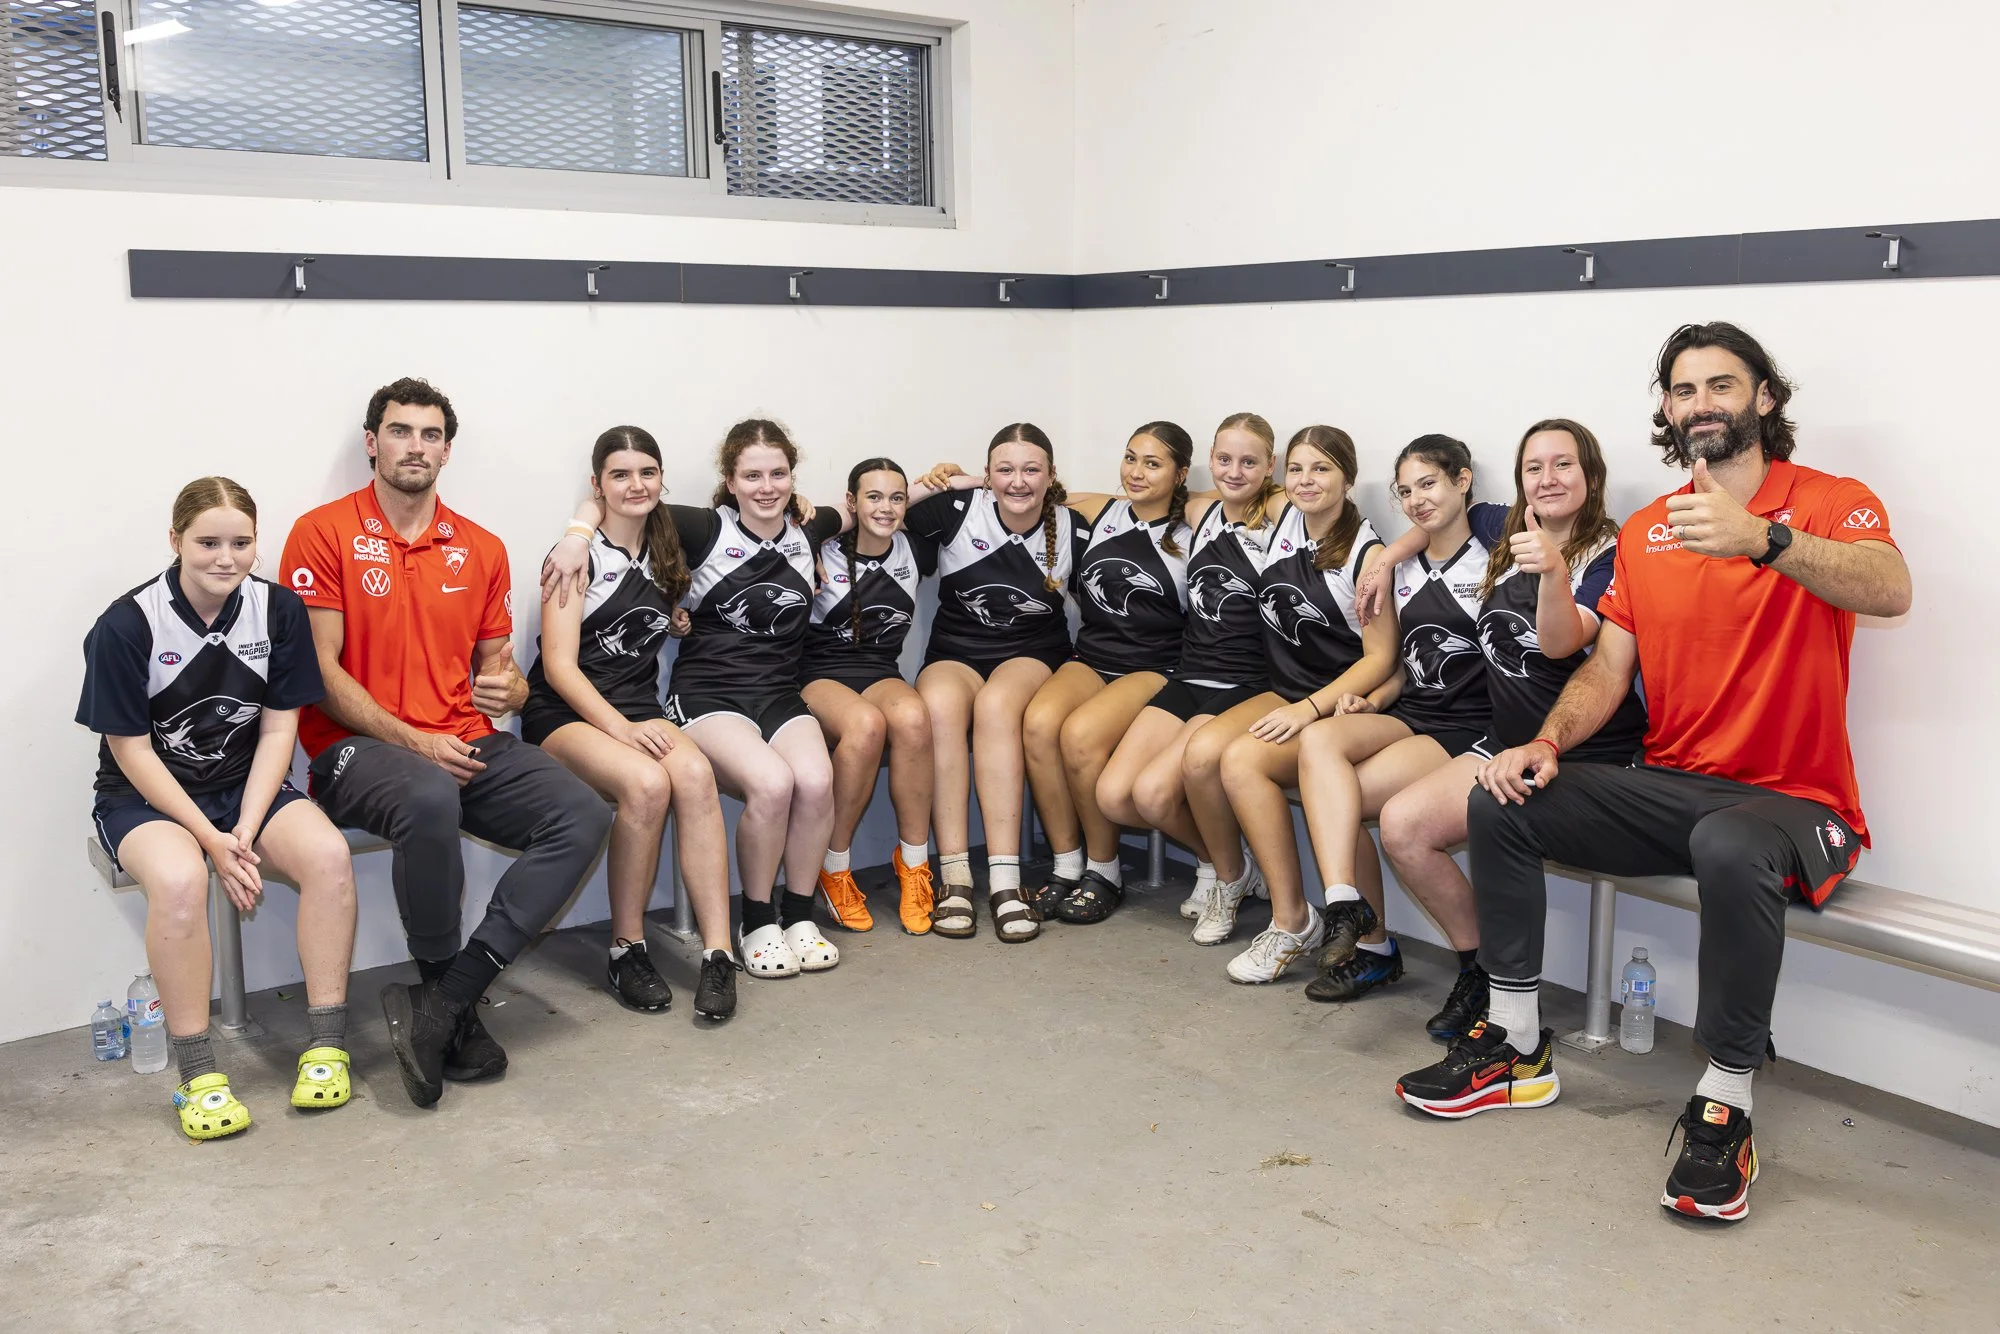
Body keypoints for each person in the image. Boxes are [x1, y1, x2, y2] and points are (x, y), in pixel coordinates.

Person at [1393, 322, 1911, 1226]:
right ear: (1668, 412)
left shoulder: (1830, 500)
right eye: (1683, 390)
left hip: (1797, 803)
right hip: (1674, 783)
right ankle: (1515, 1045)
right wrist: (1547, 742)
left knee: (1729, 841)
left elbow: (1889, 587)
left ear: (1765, 399)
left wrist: (1765, 539)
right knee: (1504, 799)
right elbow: (1605, 670)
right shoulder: (1649, 529)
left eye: (1721, 385)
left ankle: (1727, 1098)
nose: (1701, 403)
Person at [282, 378, 613, 1111]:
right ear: (373, 443)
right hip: (352, 749)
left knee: (583, 813)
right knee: (430, 793)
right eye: (400, 431)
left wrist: (514, 692)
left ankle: (449, 1001)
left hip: (463, 738)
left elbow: (505, 673)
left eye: (430, 435)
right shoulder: (323, 531)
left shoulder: (480, 546)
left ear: (447, 451)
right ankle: (438, 982)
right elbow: (320, 674)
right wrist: (417, 741)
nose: (415, 447)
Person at [79, 477, 358, 1141]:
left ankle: (327, 1046)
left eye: (241, 542)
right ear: (175, 541)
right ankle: (199, 1078)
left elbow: (277, 731)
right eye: (207, 542)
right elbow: (130, 750)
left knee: (329, 857)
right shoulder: (127, 625)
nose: (224, 558)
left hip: (246, 787)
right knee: (179, 883)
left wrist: (245, 828)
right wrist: (211, 839)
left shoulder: (279, 611)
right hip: (145, 797)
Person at [1364, 420, 1646, 1041]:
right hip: (1505, 738)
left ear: (1591, 476)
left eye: (1563, 465)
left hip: (1582, 751)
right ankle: (1480, 969)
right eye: (1533, 467)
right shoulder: (1503, 523)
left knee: (1498, 830)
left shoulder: (1614, 553)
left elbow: (1560, 642)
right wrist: (1386, 557)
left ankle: (1511, 999)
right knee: (1404, 827)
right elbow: (1435, 516)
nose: (1547, 479)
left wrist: (1552, 573)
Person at [546, 419, 845, 979]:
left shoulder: (807, 528)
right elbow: (617, 506)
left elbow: (861, 508)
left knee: (817, 780)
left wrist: (947, 482)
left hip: (776, 693)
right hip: (708, 695)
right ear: (729, 481)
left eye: (778, 474)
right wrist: (575, 532)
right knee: (773, 784)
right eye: (751, 475)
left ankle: (797, 916)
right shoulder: (697, 527)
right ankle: (753, 921)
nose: (766, 486)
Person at [525, 426, 738, 1022]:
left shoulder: (666, 546)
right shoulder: (573, 557)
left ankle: (719, 954)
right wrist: (621, 731)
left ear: (662, 479)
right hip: (566, 714)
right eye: (619, 474)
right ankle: (626, 948)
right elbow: (561, 670)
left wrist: (673, 622)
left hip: (637, 707)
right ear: (598, 485)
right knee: (648, 784)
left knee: (695, 775)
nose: (635, 484)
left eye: (647, 472)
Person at [1287, 435, 1500, 1003]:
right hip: (1410, 711)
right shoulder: (1399, 567)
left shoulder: (1493, 556)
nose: (1415, 500)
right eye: (1405, 491)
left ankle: (1475, 970)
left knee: (1342, 803)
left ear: (1463, 479)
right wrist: (1375, 700)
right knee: (1322, 742)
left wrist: (1386, 554)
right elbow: (1412, 660)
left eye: (1428, 484)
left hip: (1466, 727)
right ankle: (1348, 912)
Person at [1183, 426, 1397, 983]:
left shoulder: (1366, 553)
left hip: (1336, 703)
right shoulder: (1281, 522)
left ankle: (1289, 919)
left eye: (1322, 469)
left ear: (1348, 479)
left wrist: (1310, 709)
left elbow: (1380, 658)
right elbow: (1185, 499)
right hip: (1280, 689)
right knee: (1206, 756)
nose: (1307, 481)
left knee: (1241, 761)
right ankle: (1269, 900)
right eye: (1297, 469)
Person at [1095, 413, 1286, 924]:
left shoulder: (1284, 515)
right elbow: (1087, 500)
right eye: (1224, 459)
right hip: (1189, 673)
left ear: (1271, 466)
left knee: (1154, 795)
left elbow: (1319, 500)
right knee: (1114, 796)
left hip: (1246, 684)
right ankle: (1228, 863)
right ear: (1208, 463)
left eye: (1250, 462)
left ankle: (1224, 875)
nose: (1235, 471)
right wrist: (979, 479)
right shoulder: (1201, 510)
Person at [906, 423, 1081, 943]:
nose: (1018, 482)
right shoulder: (957, 512)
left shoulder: (1074, 524)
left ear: (1051, 476)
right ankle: (956, 877)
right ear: (987, 474)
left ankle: (1005, 881)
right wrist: (946, 483)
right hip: (955, 655)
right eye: (1004, 469)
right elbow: (884, 507)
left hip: (1031, 655)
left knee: (999, 705)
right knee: (936, 705)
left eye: (1032, 470)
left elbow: (1133, 502)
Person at [1020, 421, 1195, 925]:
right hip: (1092, 656)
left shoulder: (1192, 529)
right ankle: (1066, 863)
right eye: (1130, 458)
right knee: (1037, 723)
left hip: (1156, 667)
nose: (1136, 473)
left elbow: (1246, 500)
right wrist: (957, 477)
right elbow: (1028, 487)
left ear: (1181, 474)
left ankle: (1105, 870)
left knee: (1079, 735)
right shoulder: (1102, 510)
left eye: (1153, 463)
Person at [799, 458, 940, 937]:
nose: (886, 507)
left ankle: (915, 865)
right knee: (865, 726)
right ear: (851, 502)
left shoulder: (915, 548)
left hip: (880, 672)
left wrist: (955, 475)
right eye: (873, 497)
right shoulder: (817, 545)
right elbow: (793, 516)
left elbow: (959, 493)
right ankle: (833, 865)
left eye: (896, 497)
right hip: (817, 676)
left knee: (917, 719)